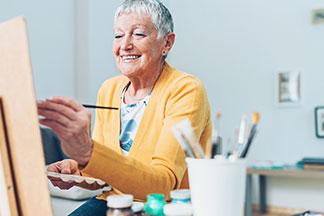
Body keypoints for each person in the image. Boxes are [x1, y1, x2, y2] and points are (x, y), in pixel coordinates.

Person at [37, 0, 212, 215]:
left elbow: (162, 186)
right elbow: (105, 170)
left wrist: (88, 153)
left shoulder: (186, 89)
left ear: (167, 43)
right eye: (118, 35)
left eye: (138, 34)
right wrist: (77, 169)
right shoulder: (109, 89)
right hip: (112, 202)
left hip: (158, 207)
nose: (125, 45)